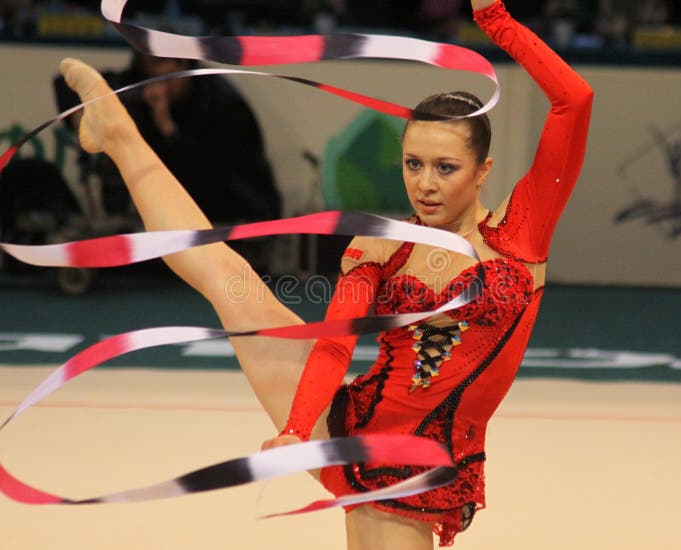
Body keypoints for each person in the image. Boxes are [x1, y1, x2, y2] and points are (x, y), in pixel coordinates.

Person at [59, 0, 592, 547]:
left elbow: (574, 100)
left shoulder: (522, 232)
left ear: (483, 171)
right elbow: (334, 346)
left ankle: (117, 135)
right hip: (366, 442)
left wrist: (496, 20)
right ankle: (119, 133)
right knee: (221, 271)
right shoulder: (383, 247)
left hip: (433, 453)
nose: (425, 184)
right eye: (413, 164)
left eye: (445, 168)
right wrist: (296, 429)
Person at [54, 51, 281, 271]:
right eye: (153, 76)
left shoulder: (222, 103)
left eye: (169, 79)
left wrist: (167, 126)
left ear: (183, 69)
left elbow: (213, 176)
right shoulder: (140, 84)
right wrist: (80, 114)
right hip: (173, 213)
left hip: (232, 208)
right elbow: (64, 84)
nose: (161, 87)